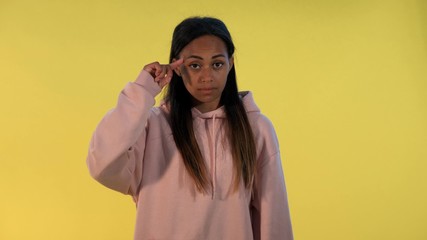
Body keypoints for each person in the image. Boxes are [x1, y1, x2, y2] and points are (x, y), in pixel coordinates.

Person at [86, 16, 293, 240]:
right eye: (194, 65)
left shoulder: (256, 128)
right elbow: (102, 164)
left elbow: (274, 216)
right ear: (177, 66)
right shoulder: (151, 126)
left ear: (230, 64)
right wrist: (142, 91)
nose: (207, 76)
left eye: (217, 64)